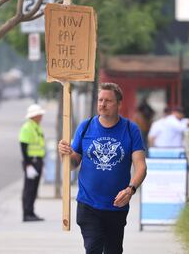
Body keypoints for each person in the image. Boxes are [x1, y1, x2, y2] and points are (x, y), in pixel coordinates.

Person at [58, 82, 147, 254]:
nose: (102, 104)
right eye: (100, 100)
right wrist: (65, 154)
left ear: (119, 104)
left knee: (114, 251)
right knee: (93, 249)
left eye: (108, 101)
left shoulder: (130, 129)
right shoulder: (85, 127)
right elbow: (73, 163)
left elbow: (141, 166)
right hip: (88, 204)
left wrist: (131, 189)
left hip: (117, 205)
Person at [19, 104, 46, 222]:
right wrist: (28, 163)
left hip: (37, 160)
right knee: (29, 188)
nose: (41, 116)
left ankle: (31, 212)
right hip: (31, 162)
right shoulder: (27, 127)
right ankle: (27, 213)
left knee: (34, 188)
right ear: (34, 115)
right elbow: (23, 146)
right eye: (39, 114)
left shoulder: (36, 127)